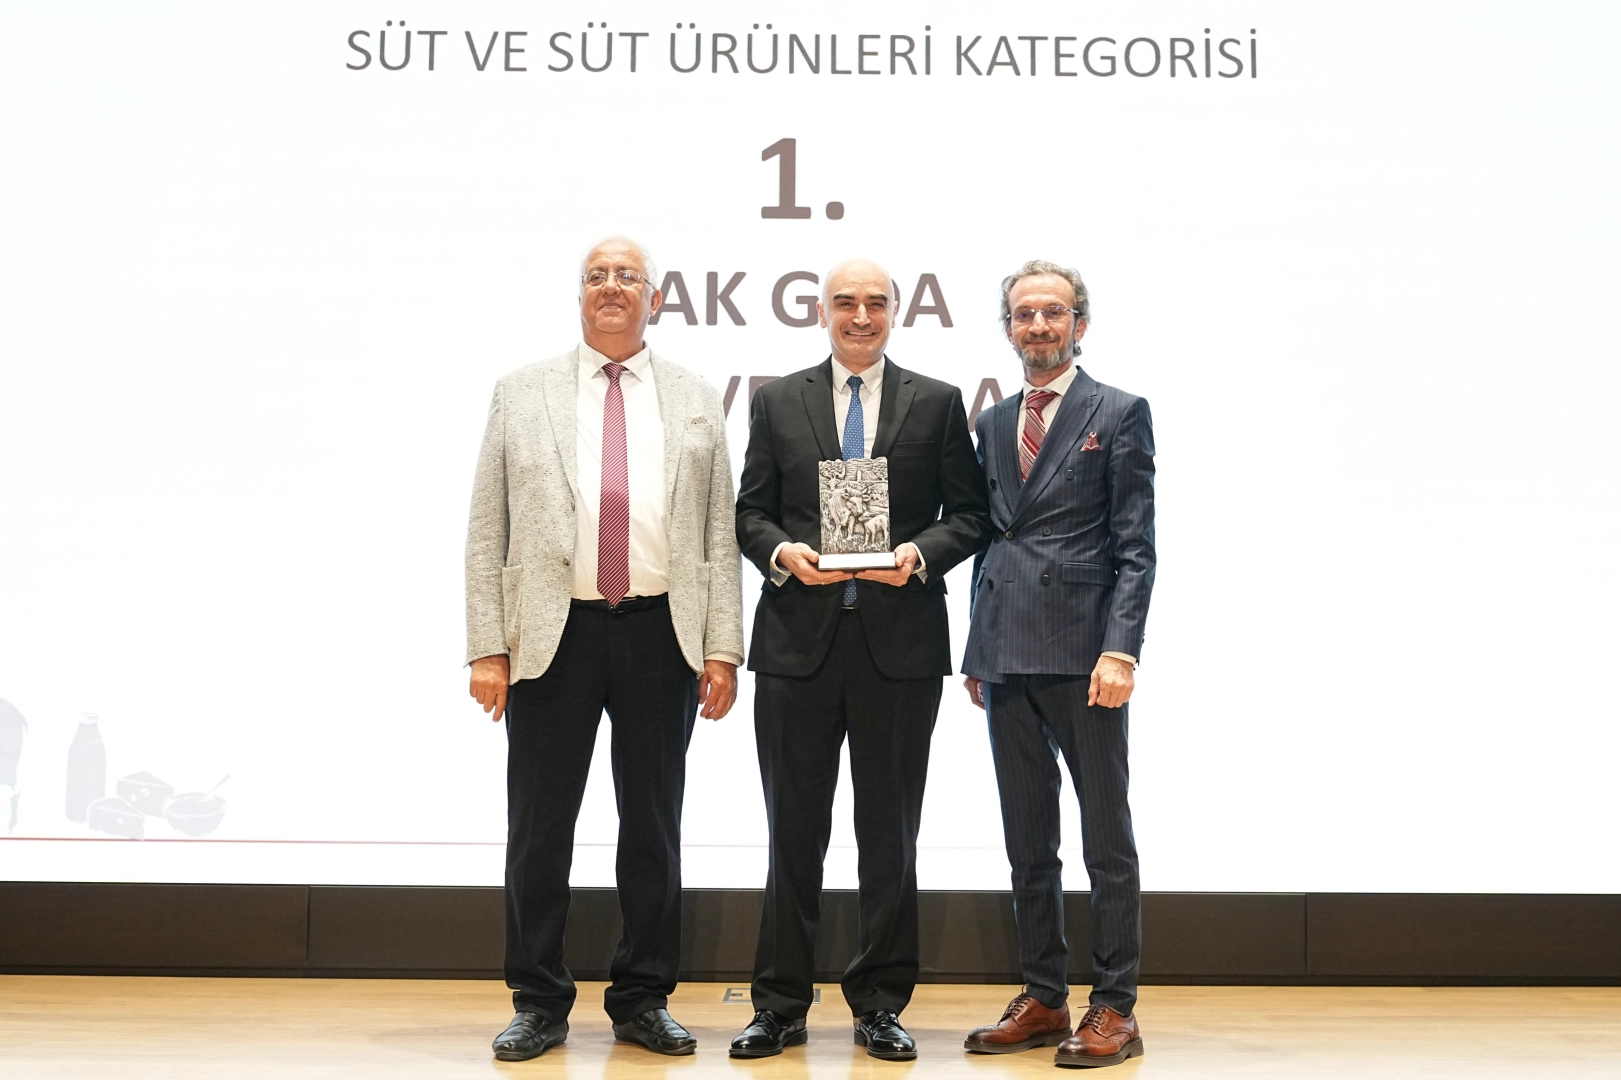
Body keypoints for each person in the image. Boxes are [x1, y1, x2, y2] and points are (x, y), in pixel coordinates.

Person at [464, 237, 745, 1061]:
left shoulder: (696, 396)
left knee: (652, 824)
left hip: (661, 632)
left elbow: (717, 533)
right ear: (579, 296)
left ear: (655, 298)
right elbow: (486, 528)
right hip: (555, 634)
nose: (611, 286)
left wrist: (722, 646)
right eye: (596, 276)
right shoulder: (521, 392)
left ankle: (642, 997)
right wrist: (487, 646)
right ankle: (537, 1000)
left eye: (627, 276)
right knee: (539, 825)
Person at [731, 259, 991, 1060]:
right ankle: (779, 1006)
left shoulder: (937, 402)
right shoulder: (776, 399)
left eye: (875, 302)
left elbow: (970, 514)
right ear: (821, 311)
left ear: (894, 312)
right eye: (845, 302)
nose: (860, 315)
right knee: (791, 835)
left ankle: (879, 1004)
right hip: (796, 647)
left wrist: (919, 553)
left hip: (898, 649)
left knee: (889, 838)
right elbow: (750, 513)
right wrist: (783, 554)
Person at [959, 260, 1156, 1069]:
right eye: (1023, 314)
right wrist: (976, 647)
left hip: (1084, 657)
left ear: (1080, 324)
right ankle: (1044, 996)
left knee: (1105, 839)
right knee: (1027, 840)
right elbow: (990, 539)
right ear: (1008, 328)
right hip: (1005, 653)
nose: (1037, 325)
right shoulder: (992, 420)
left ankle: (1115, 1007)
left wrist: (1120, 648)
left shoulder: (1119, 411)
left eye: (1052, 312)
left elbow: (1135, 546)